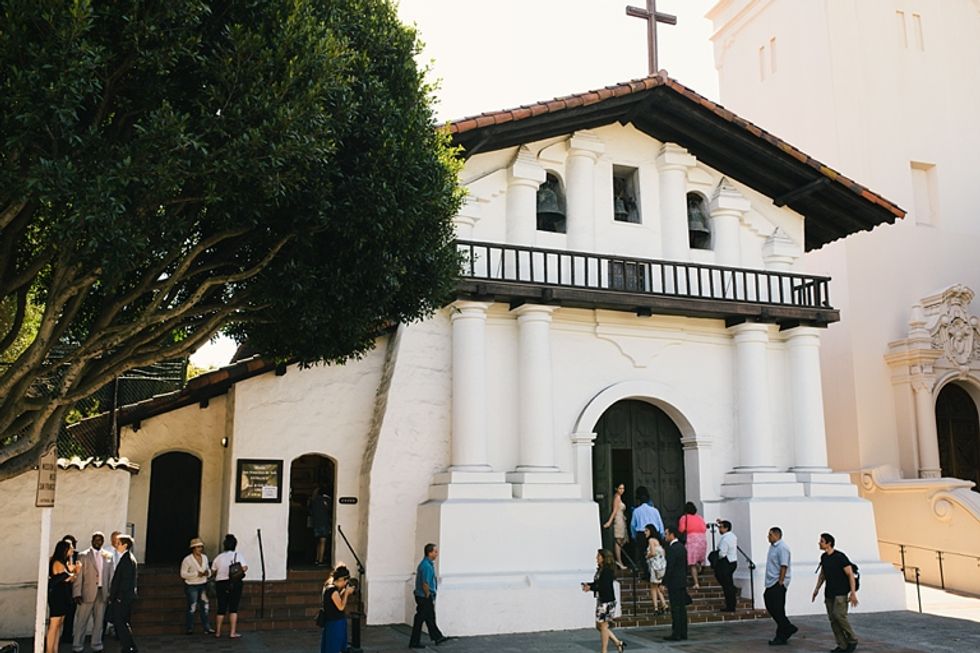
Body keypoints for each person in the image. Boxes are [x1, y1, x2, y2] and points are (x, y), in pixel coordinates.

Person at [811, 533, 859, 653]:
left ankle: (852, 638)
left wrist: (853, 593)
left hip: (840, 592)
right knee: (833, 619)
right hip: (829, 593)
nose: (819, 543)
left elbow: (850, 574)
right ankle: (842, 644)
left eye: (822, 541)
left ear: (829, 543)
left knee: (839, 616)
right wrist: (817, 589)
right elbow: (822, 574)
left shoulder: (840, 557)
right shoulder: (824, 557)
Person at [72, 531, 113, 653]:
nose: (98, 542)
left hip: (102, 592)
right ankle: (77, 646)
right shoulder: (83, 555)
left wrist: (110, 593)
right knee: (81, 621)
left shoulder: (108, 556)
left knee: (99, 622)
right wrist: (77, 593)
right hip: (86, 593)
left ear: (103, 541)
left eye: (100, 540)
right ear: (92, 541)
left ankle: (97, 645)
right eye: (95, 539)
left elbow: (110, 576)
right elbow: (79, 576)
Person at [581, 549, 626, 653]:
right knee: (599, 626)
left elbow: (603, 586)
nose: (596, 558)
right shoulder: (601, 570)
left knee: (603, 626)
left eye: (598, 556)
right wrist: (589, 585)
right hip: (601, 600)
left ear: (604, 558)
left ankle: (604, 650)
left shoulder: (607, 571)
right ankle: (618, 642)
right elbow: (598, 583)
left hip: (607, 602)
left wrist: (591, 588)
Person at [408, 543, 450, 649]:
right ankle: (415, 642)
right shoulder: (426, 566)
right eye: (435, 551)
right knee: (421, 619)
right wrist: (428, 595)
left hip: (422, 596)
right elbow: (425, 583)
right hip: (424, 596)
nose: (437, 553)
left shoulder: (427, 564)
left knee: (429, 617)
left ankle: (437, 637)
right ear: (429, 553)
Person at [764, 526, 798, 646]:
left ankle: (782, 634)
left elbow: (784, 565)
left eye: (770, 535)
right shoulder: (772, 547)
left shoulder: (782, 548)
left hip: (777, 582)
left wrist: (781, 581)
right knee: (771, 605)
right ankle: (787, 627)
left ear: (776, 535)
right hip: (770, 581)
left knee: (778, 608)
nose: (768, 537)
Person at [212, 533, 248, 639]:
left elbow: (213, 570)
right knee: (233, 608)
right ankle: (232, 632)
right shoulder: (238, 555)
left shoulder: (219, 557)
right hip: (235, 583)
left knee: (221, 607)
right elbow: (245, 567)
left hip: (220, 583)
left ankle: (218, 632)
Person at [108, 534, 138, 653]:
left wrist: (119, 597)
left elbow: (125, 581)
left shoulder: (127, 560)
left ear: (125, 545)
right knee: (123, 623)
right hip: (124, 597)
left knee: (121, 623)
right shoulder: (126, 558)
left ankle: (128, 647)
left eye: (119, 543)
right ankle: (130, 646)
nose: (116, 546)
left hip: (123, 598)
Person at [47, 539, 77, 653]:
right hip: (57, 596)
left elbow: (70, 578)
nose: (73, 550)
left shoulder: (64, 562)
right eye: (70, 548)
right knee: (54, 625)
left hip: (64, 595)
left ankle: (55, 649)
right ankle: (49, 650)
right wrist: (74, 571)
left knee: (59, 624)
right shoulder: (57, 562)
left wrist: (72, 572)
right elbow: (66, 578)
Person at [180, 537, 214, 635]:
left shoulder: (205, 558)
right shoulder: (187, 560)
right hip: (192, 585)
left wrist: (207, 573)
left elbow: (208, 569)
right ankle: (189, 628)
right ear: (193, 548)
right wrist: (196, 574)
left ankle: (206, 627)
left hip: (203, 584)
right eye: (198, 547)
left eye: (201, 547)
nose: (200, 549)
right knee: (192, 606)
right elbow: (183, 574)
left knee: (205, 607)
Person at [628, 487, 663, 579]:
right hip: (654, 532)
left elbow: (633, 525)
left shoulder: (636, 511)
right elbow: (660, 523)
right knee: (655, 553)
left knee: (644, 554)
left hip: (641, 534)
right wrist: (661, 534)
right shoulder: (655, 510)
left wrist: (634, 536)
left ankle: (647, 574)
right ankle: (657, 572)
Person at [319, 564, 355, 653]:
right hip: (335, 623)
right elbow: (341, 607)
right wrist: (346, 593)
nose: (346, 583)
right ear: (342, 579)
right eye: (346, 581)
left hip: (332, 622)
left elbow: (335, 601)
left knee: (331, 646)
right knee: (334, 647)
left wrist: (344, 591)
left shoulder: (329, 587)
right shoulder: (333, 591)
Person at [662, 525, 689, 642]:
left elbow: (670, 567)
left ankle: (676, 633)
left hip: (674, 582)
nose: (665, 536)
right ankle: (683, 632)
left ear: (672, 535)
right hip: (681, 581)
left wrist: (664, 582)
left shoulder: (672, 549)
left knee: (676, 608)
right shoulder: (682, 547)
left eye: (666, 534)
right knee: (682, 608)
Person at [677, 502, 707, 589]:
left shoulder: (684, 518)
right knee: (697, 560)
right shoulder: (700, 518)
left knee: (692, 563)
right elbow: (704, 528)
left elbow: (681, 529)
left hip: (691, 541)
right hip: (702, 540)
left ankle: (696, 583)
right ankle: (699, 566)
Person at [601, 483, 630, 570]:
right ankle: (619, 561)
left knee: (621, 540)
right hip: (618, 519)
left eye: (623, 488)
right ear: (616, 489)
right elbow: (614, 511)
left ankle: (619, 560)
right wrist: (609, 522)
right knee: (618, 541)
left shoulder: (619, 497)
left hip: (621, 519)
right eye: (620, 488)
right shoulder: (617, 497)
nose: (622, 490)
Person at [713, 519, 738, 612]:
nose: (719, 529)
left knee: (727, 585)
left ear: (726, 528)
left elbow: (722, 553)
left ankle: (730, 605)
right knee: (728, 584)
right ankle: (731, 601)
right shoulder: (733, 536)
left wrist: (716, 556)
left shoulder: (725, 539)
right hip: (733, 561)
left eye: (721, 527)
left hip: (726, 562)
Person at [61, 534, 80, 644]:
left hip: (73, 589)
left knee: (71, 613)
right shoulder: (59, 558)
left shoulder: (78, 556)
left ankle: (67, 635)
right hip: (62, 590)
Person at [644, 525, 667, 614]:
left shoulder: (651, 540)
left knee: (653, 587)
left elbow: (653, 553)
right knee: (657, 586)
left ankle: (656, 607)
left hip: (654, 567)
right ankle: (664, 604)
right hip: (661, 566)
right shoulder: (658, 541)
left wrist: (647, 556)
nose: (645, 532)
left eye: (646, 530)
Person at [308, 486, 332, 566]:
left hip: (316, 523)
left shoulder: (313, 500)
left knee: (318, 542)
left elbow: (310, 511)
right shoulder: (327, 500)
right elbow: (330, 511)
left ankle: (317, 559)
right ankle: (321, 560)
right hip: (324, 522)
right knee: (323, 541)